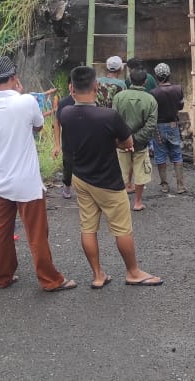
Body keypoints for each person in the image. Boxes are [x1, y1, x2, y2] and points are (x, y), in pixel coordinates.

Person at [0, 56, 77, 291]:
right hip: (26, 181)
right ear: (13, 77)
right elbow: (38, 126)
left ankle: (2, 276)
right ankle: (50, 280)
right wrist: (21, 94)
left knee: (1, 230)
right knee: (36, 233)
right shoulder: (26, 101)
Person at [59, 66, 163, 288]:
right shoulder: (108, 116)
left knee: (88, 227)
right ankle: (133, 272)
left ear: (71, 88)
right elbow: (128, 143)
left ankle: (98, 275)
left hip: (81, 177)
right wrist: (114, 142)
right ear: (96, 87)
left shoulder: (65, 113)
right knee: (122, 229)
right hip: (107, 180)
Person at [113, 68, 159, 210]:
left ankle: (120, 202)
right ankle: (138, 202)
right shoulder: (150, 100)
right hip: (141, 143)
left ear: (129, 80)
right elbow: (151, 124)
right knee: (140, 172)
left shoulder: (119, 97)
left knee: (120, 172)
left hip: (121, 142)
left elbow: (113, 120)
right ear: (145, 81)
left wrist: (124, 138)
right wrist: (136, 138)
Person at [150, 63, 187, 193]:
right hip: (173, 125)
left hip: (158, 127)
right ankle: (180, 186)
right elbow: (181, 106)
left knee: (160, 156)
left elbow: (152, 110)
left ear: (156, 76)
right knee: (177, 154)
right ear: (169, 74)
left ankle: (164, 186)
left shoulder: (153, 93)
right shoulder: (178, 89)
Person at [52, 85, 76, 200]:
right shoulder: (64, 102)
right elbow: (57, 122)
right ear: (69, 86)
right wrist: (57, 145)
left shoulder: (88, 101)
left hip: (85, 141)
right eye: (71, 84)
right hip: (68, 141)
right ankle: (67, 186)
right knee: (68, 165)